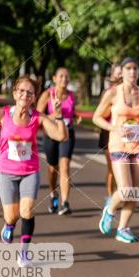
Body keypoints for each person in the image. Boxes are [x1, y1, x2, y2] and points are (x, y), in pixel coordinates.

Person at [0, 77, 67, 267]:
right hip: (7, 172)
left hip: (29, 171)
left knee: (27, 210)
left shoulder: (37, 117)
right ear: (15, 93)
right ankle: (9, 225)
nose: (25, 95)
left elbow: (60, 135)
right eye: (22, 91)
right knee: (12, 216)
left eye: (30, 92)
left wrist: (58, 114)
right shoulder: (4, 113)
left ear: (34, 97)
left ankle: (24, 253)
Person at [96, 58, 139, 243]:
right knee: (126, 189)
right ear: (122, 71)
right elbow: (97, 117)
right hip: (119, 145)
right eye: (128, 68)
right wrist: (114, 128)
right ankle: (110, 209)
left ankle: (123, 228)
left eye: (135, 68)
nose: (132, 71)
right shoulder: (113, 93)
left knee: (135, 191)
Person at [37, 67, 79, 215]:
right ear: (54, 78)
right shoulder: (47, 95)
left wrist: (75, 116)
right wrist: (55, 115)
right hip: (51, 135)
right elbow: (38, 115)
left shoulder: (72, 95)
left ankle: (65, 203)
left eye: (67, 77)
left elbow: (71, 111)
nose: (64, 79)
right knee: (52, 168)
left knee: (65, 166)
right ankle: (53, 194)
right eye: (61, 76)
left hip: (67, 134)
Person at [93, 64, 122, 198]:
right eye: (117, 73)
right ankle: (111, 197)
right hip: (109, 134)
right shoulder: (109, 93)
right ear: (112, 76)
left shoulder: (133, 92)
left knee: (125, 168)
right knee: (112, 169)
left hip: (127, 136)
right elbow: (100, 115)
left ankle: (120, 195)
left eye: (122, 72)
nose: (120, 76)